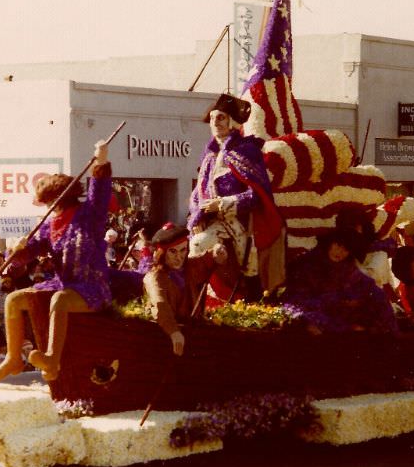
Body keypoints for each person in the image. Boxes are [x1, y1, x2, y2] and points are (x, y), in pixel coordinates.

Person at [0, 139, 113, 383]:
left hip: (92, 287)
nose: (46, 207)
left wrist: (101, 161)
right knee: (13, 300)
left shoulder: (89, 214)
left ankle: (52, 359)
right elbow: (25, 257)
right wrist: (17, 250)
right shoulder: (48, 225)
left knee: (60, 300)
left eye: (48, 202)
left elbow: (100, 190)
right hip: (62, 284)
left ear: (58, 199)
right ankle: (13, 358)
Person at [187, 93, 285, 302]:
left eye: (221, 117)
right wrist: (196, 215)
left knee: (249, 262)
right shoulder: (209, 154)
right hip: (211, 222)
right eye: (213, 118)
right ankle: (194, 301)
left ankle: (254, 302)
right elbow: (198, 192)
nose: (215, 123)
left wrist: (222, 204)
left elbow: (257, 195)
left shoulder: (247, 151)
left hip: (241, 221)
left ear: (232, 121)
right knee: (196, 245)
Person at [283, 229, 398, 334]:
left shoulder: (346, 267)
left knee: (378, 295)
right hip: (306, 309)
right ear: (329, 244)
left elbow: (366, 285)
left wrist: (357, 298)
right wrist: (338, 300)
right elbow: (299, 299)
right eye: (338, 246)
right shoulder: (308, 263)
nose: (340, 252)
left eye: (346, 250)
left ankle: (389, 337)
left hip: (336, 310)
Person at [143, 224, 227, 356]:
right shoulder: (154, 277)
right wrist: (174, 332)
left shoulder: (189, 267)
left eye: (183, 250)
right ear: (162, 253)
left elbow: (206, 259)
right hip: (166, 337)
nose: (179, 257)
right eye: (173, 251)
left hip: (191, 334)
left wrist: (217, 250)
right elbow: (160, 305)